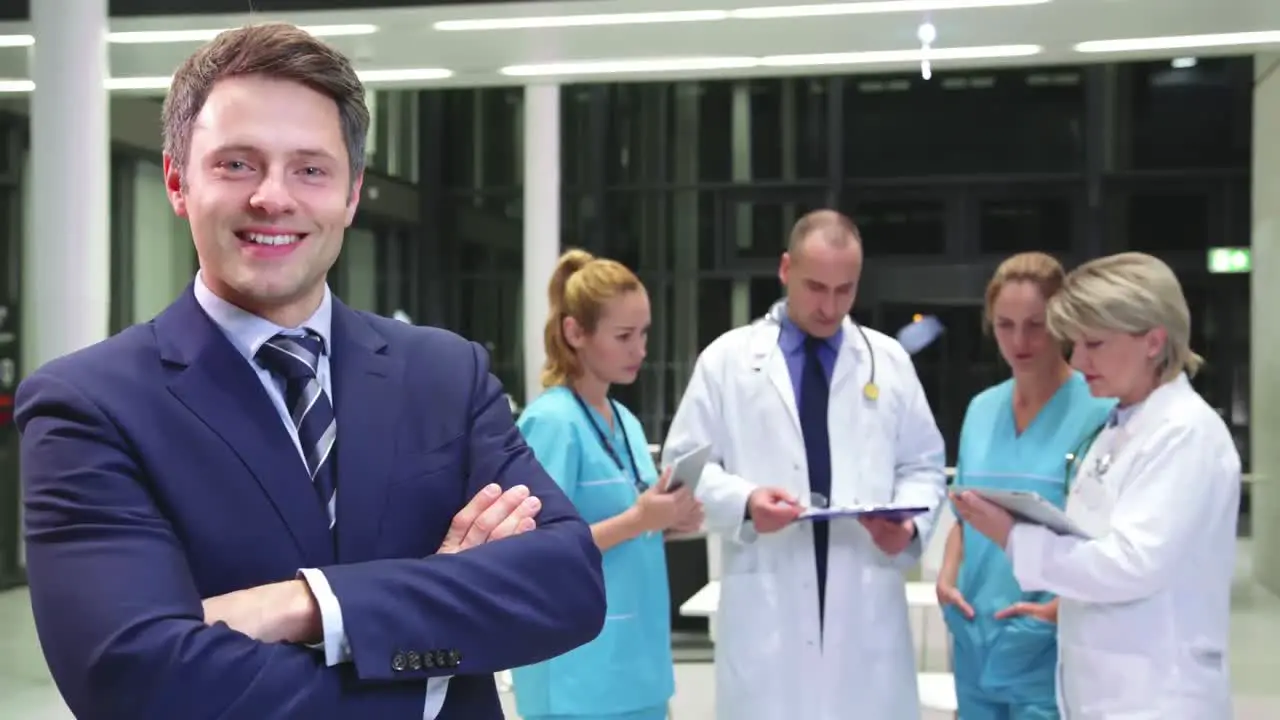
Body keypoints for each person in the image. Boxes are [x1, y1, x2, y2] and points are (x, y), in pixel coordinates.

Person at [16, 23, 605, 720]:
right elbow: (135, 680)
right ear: (178, 180)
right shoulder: (88, 406)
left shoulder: (446, 374)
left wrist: (304, 604)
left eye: (310, 168)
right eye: (237, 164)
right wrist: (428, 654)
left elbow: (566, 585)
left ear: (352, 194)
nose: (274, 197)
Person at [661, 209, 948, 720]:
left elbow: (924, 465)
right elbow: (686, 466)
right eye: (816, 287)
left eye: (846, 290)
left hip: (865, 606)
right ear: (785, 269)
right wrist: (745, 503)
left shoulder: (888, 361)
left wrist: (906, 527)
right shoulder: (728, 360)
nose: (830, 306)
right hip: (768, 603)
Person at [953, 252, 1239, 719]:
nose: (1078, 359)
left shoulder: (1185, 433)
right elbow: (1086, 537)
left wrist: (1014, 536)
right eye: (1075, 343)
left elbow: (1130, 563)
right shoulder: (1119, 425)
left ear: (1153, 342)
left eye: (1094, 344)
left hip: (1157, 695)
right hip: (1101, 689)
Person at [511, 249, 703, 720]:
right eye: (623, 336)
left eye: (643, 334)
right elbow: (538, 551)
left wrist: (670, 521)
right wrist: (641, 518)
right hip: (577, 676)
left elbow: (626, 526)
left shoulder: (626, 421)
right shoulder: (553, 422)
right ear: (575, 332)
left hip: (638, 667)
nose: (640, 350)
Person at [937, 253, 1114, 720]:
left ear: (1062, 321)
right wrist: (946, 578)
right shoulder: (981, 410)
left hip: (1049, 644)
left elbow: (1112, 540)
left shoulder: (1099, 411)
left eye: (1035, 325)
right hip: (975, 634)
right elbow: (963, 515)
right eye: (1005, 325)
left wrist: (1058, 610)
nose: (1020, 341)